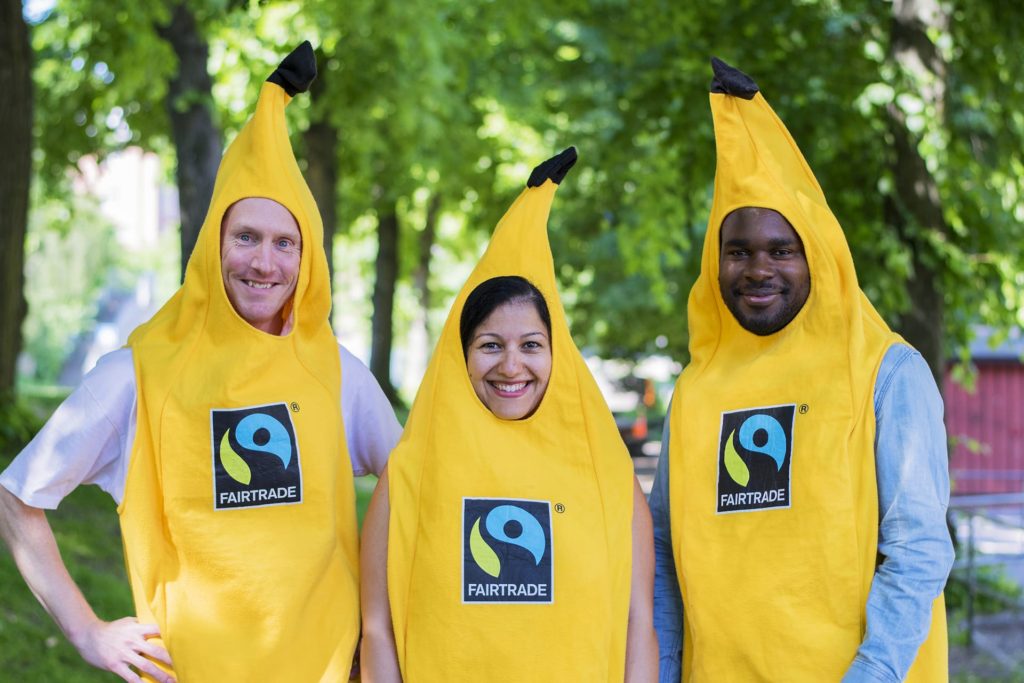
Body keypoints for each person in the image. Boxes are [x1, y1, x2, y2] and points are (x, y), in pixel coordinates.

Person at [0, 42, 401, 682]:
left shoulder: (337, 372)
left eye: (284, 243)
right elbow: (17, 496)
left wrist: (376, 628)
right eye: (245, 237)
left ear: (308, 260)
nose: (264, 264)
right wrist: (88, 632)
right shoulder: (138, 374)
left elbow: (410, 486)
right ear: (212, 247)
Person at [649, 59, 953, 682]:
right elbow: (663, 552)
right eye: (738, 252)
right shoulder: (696, 390)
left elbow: (917, 551)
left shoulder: (886, 372)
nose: (758, 270)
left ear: (818, 258)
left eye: (781, 250)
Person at [360, 148, 658, 682]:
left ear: (556, 356)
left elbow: (639, 622)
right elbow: (377, 627)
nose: (512, 365)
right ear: (462, 357)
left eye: (532, 345)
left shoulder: (608, 474)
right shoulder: (409, 472)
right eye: (491, 345)